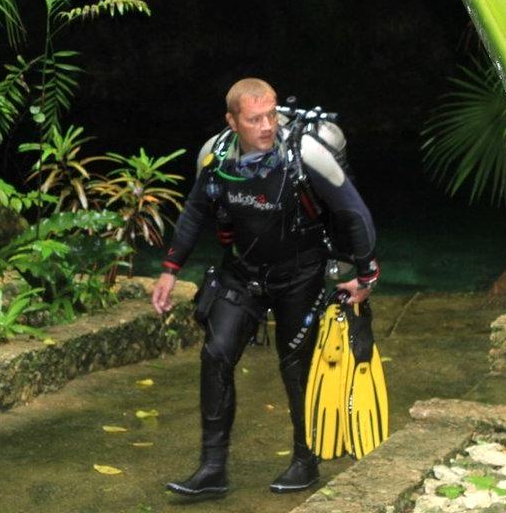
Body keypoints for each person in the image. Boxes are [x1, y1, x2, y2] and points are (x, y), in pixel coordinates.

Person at [151, 77, 378, 496]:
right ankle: (212, 470)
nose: (267, 126)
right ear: (232, 121)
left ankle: (304, 461)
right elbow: (195, 211)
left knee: (297, 369)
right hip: (243, 272)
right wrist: (170, 269)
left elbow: (354, 212)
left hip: (301, 273)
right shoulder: (215, 156)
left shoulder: (304, 155)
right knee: (215, 355)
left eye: (272, 114)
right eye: (255, 119)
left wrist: (365, 275)